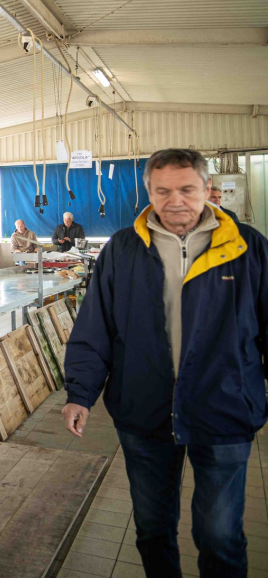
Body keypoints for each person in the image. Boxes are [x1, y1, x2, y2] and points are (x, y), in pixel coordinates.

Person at [63, 148, 268, 578]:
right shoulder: (122, 249)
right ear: (149, 192)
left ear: (208, 189)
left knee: (220, 536)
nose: (176, 200)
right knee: (153, 529)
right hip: (145, 412)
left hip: (225, 411)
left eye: (187, 189)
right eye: (163, 190)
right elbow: (94, 327)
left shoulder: (248, 248)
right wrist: (80, 394)